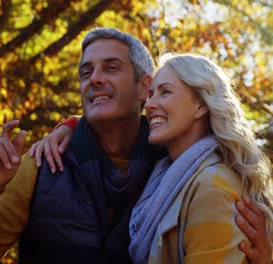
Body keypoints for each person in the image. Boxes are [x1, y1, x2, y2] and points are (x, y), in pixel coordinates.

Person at [0, 27, 163, 263]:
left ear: (143, 88)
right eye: (86, 72)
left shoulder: (173, 162)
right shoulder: (38, 165)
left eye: (111, 67)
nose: (95, 79)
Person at [32, 53, 273, 263]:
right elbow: (113, 123)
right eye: (150, 94)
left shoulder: (213, 187)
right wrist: (70, 126)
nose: (150, 104)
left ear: (201, 105)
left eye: (165, 92)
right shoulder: (165, 171)